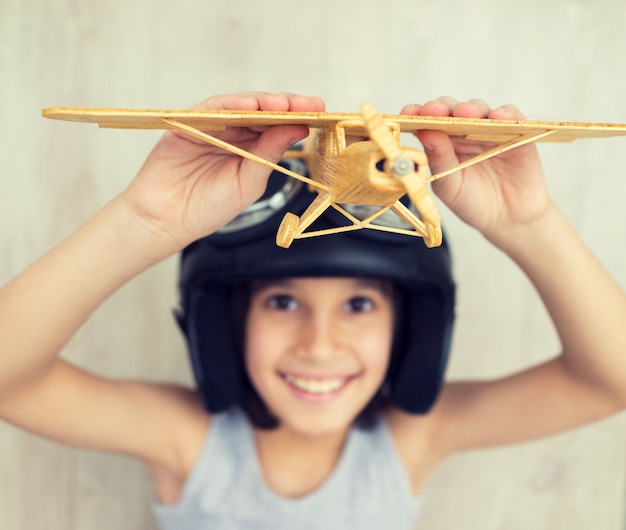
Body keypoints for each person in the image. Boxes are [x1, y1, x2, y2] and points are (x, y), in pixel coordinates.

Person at [0, 92, 625, 529]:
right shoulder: (192, 446)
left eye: (358, 303)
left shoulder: (408, 441)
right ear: (226, 322)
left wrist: (531, 224)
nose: (319, 344)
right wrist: (145, 222)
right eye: (281, 301)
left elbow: (612, 379)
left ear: (410, 328)